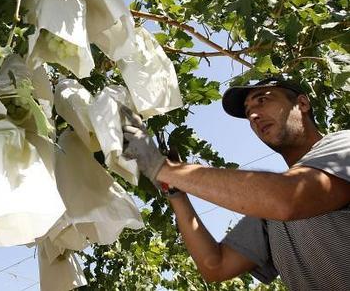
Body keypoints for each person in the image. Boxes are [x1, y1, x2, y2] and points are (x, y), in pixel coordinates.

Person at [122, 77, 350, 290]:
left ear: (301, 104)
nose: (253, 116)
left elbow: (288, 198)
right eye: (248, 111)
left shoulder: (344, 145)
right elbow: (215, 266)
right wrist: (176, 191)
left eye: (263, 100)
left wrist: (162, 167)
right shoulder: (270, 213)